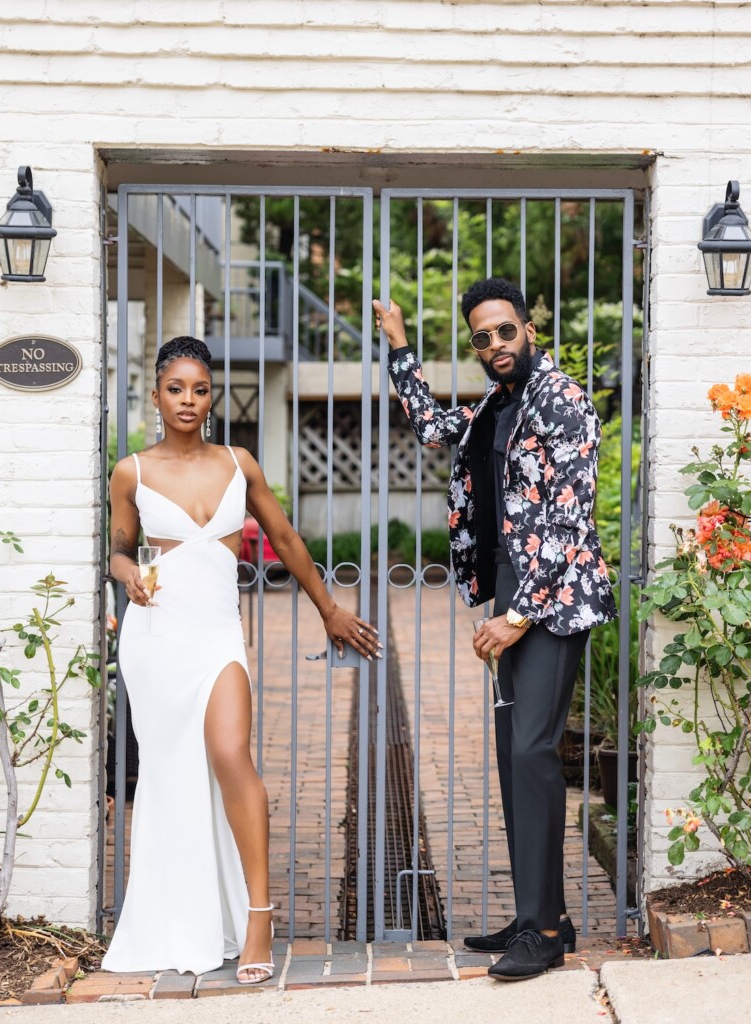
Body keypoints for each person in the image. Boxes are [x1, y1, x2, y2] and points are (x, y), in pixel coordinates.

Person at [104, 336, 381, 981]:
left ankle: (259, 916)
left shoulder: (239, 463)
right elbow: (118, 548)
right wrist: (130, 576)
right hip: (155, 640)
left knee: (231, 756)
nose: (189, 401)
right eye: (177, 389)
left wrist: (330, 609)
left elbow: (284, 538)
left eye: (200, 389)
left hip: (217, 638)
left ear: (212, 396)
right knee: (171, 776)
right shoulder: (132, 471)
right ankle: (183, 915)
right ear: (156, 395)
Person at [373, 279, 617, 982]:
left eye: (503, 332)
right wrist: (399, 347)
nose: (494, 346)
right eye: (481, 338)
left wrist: (516, 616)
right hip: (513, 592)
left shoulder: (560, 400)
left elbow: (570, 520)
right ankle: (540, 912)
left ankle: (542, 934)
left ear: (527, 329)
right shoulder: (496, 406)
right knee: (515, 756)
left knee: (535, 753)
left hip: (551, 599)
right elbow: (429, 427)